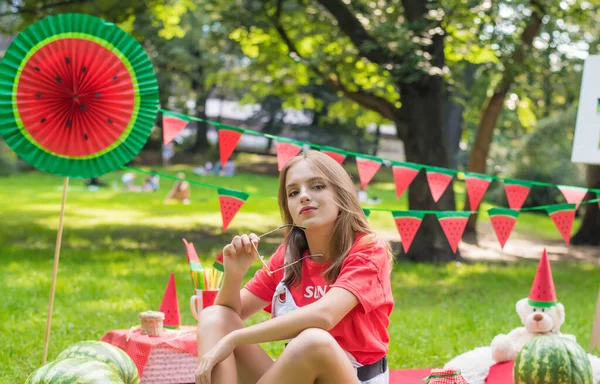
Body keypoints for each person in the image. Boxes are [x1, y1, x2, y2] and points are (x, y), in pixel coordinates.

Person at [195, 150, 394, 384]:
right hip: (299, 377)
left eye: (317, 186)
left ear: (342, 194)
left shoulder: (369, 249)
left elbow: (324, 316)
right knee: (213, 315)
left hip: (355, 378)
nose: (304, 196)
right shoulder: (289, 256)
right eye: (293, 192)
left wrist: (234, 339)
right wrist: (234, 274)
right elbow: (229, 315)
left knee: (313, 341)